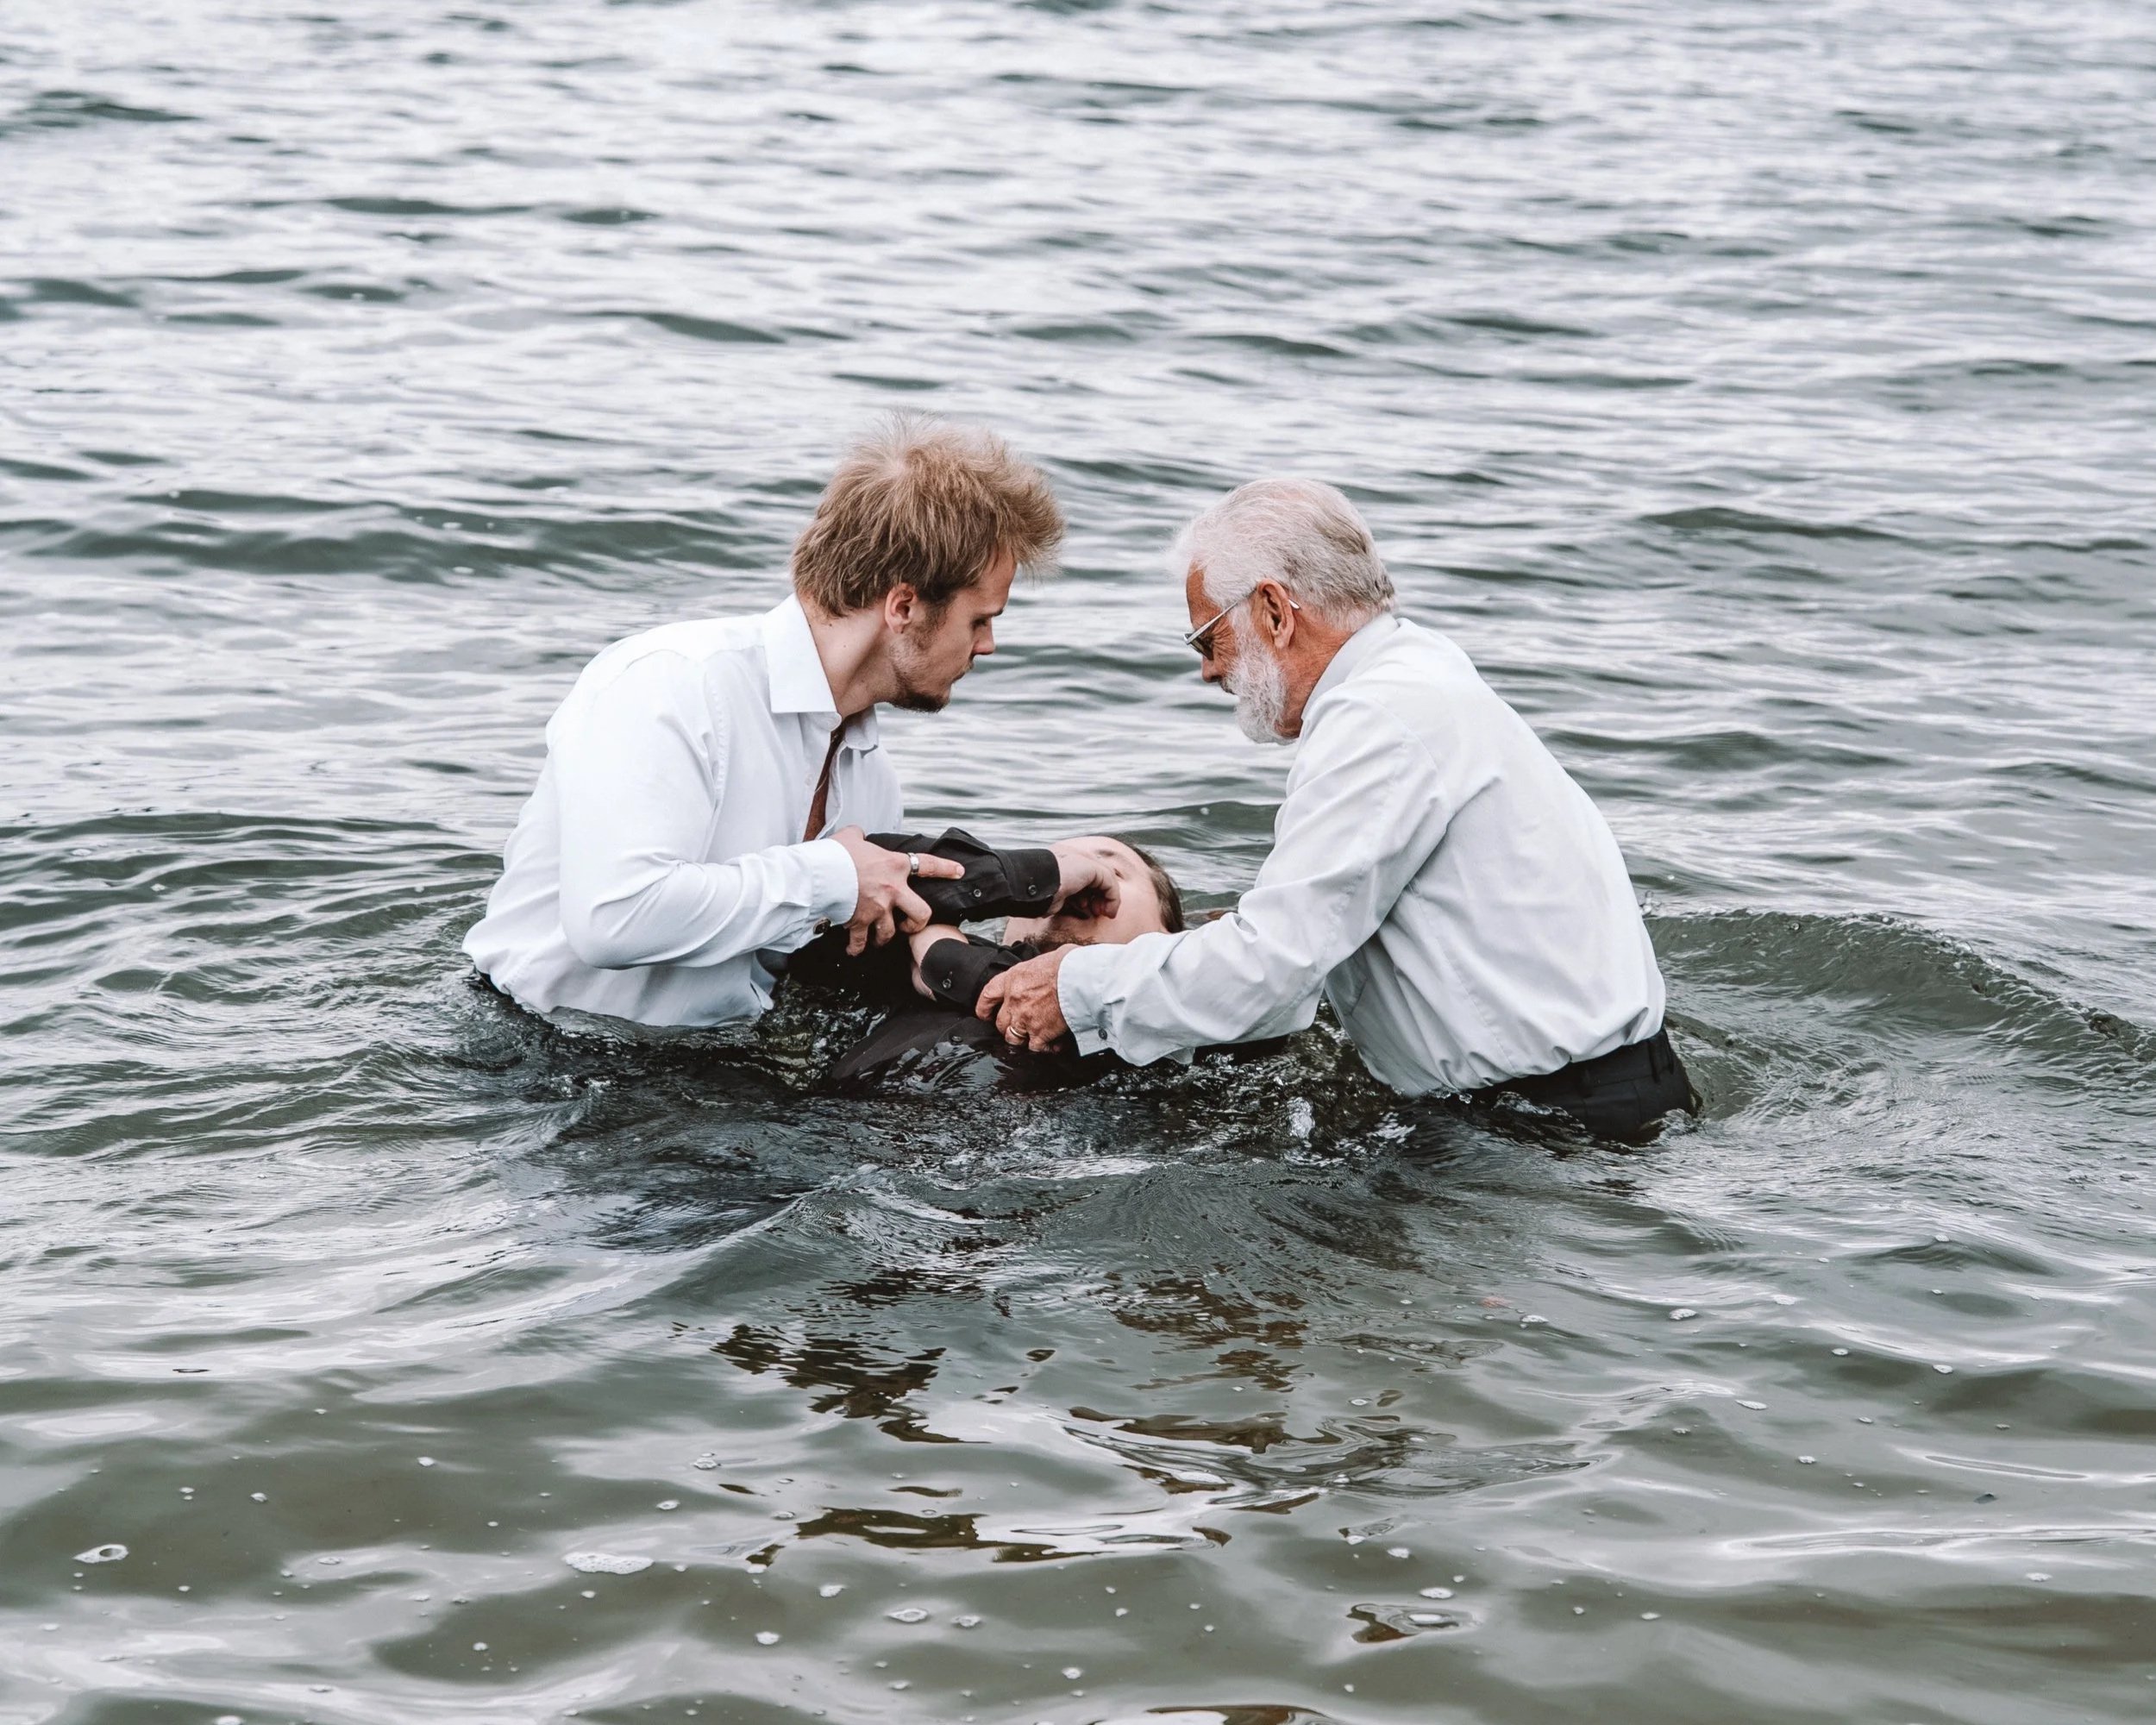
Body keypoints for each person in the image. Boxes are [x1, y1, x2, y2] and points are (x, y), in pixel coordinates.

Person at [977, 478, 1695, 1140]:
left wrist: (1076, 987)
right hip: (1569, 1098)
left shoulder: (1379, 717)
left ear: (1274, 611)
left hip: (1561, 1121)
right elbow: (1299, 951)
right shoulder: (1415, 673)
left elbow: (1271, 972)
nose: (1207, 670)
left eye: (1207, 638)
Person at [462, 417, 1124, 1030]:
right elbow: (614, 918)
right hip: (528, 1061)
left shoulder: (868, 773)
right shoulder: (673, 683)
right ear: (904, 605)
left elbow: (830, 936)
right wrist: (835, 877)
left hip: (700, 1071)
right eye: (981, 619)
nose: (986, 647)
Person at [791, 830, 1185, 1091]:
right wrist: (1032, 875)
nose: (1084, 886)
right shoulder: (905, 952)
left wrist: (945, 958)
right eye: (1070, 875)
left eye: (1113, 871)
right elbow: (840, 883)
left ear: (1172, 938)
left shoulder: (1182, 1009)